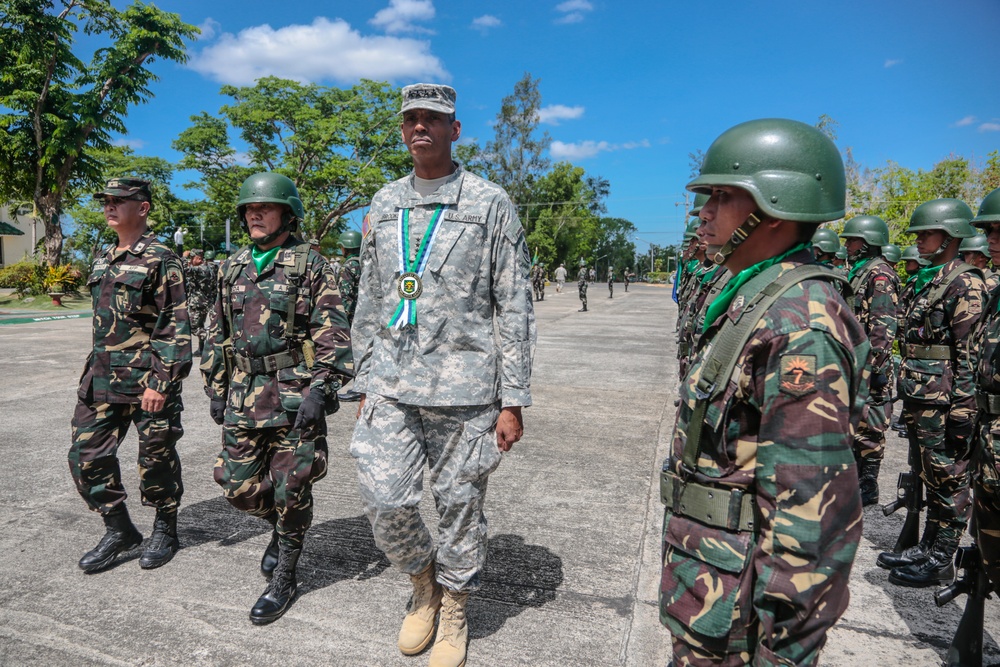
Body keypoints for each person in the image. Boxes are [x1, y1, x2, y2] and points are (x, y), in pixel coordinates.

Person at [660, 119, 868, 666]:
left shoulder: (799, 325)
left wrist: (783, 651)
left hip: (744, 614)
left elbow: (811, 516)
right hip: (711, 585)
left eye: (723, 197)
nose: (703, 212)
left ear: (775, 207)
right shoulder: (756, 297)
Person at [349, 83, 535, 667]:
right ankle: (423, 583)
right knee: (383, 497)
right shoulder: (382, 203)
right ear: (403, 131)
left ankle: (454, 604)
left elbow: (514, 302)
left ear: (456, 130)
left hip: (467, 390)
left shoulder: (489, 202)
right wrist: (364, 378)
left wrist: (515, 398)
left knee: (459, 505)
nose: (421, 128)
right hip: (392, 383)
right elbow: (370, 295)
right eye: (412, 120)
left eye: (434, 119)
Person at [201, 172, 353, 624]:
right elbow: (217, 332)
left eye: (263, 208)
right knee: (238, 488)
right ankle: (279, 528)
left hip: (294, 394)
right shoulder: (230, 267)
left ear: (287, 213)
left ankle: (286, 573)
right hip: (244, 394)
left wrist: (322, 388)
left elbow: (332, 333)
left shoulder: (311, 265)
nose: (254, 214)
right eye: (249, 209)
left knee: (291, 488)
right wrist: (215, 386)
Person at [69, 177, 192, 574]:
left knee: (155, 459)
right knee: (85, 457)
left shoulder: (161, 258)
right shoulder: (102, 256)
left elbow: (176, 324)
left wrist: (162, 381)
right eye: (106, 200)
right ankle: (119, 528)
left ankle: (165, 529)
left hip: (146, 380)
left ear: (143, 207)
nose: (110, 206)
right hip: (102, 377)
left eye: (119, 200)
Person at [877, 198, 986, 587]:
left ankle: (942, 556)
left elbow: (968, 354)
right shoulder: (930, 278)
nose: (919, 241)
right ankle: (928, 546)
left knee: (949, 476)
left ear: (951, 235)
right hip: (921, 394)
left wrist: (964, 407)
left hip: (944, 399)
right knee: (928, 472)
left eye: (927, 233)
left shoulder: (965, 282)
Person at [839, 215, 899, 506]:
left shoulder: (880, 275)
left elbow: (882, 326)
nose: (848, 245)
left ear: (869, 243)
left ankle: (868, 485)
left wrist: (875, 368)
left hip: (870, 364)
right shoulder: (859, 271)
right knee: (854, 423)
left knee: (871, 426)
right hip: (854, 362)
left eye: (853, 240)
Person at [969, 186, 1000, 593]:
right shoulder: (996, 295)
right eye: (990, 231)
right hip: (990, 437)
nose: (991, 240)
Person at [337, 229, 364, 402]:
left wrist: (342, 321)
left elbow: (345, 296)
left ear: (345, 248)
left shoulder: (348, 267)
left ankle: (358, 388)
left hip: (353, 318)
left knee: (356, 354)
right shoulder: (365, 263)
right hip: (366, 315)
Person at [184, 249, 218, 356]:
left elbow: (183, 268)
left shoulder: (198, 269)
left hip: (197, 303)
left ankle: (207, 334)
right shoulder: (212, 267)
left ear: (198, 259)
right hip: (209, 302)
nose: (190, 260)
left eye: (192, 258)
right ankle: (201, 349)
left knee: (193, 327)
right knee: (201, 325)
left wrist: (184, 257)